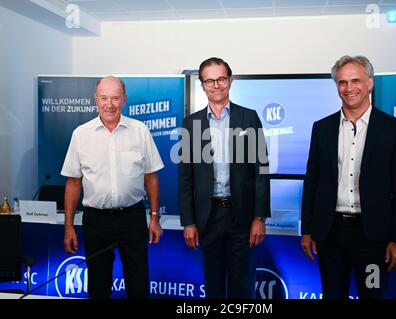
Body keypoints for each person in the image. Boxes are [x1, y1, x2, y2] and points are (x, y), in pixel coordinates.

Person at [301, 55, 396, 299]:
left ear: (370, 83)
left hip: (373, 240)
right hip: (331, 235)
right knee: (333, 294)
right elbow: (312, 182)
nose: (349, 88)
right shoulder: (322, 128)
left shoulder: (393, 129)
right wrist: (307, 230)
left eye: (355, 81)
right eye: (342, 82)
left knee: (372, 294)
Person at [61, 76, 164, 299]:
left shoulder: (140, 131)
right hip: (96, 221)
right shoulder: (81, 134)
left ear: (124, 100)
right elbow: (73, 182)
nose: (110, 104)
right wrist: (68, 226)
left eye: (115, 98)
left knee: (138, 287)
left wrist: (154, 217)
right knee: (98, 287)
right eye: (104, 98)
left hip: (133, 219)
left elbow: (151, 177)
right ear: (95, 100)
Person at [179, 57, 270, 299]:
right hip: (208, 217)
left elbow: (261, 170)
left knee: (242, 286)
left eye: (221, 79)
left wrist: (259, 216)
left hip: (242, 214)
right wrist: (188, 221)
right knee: (214, 284)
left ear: (230, 81)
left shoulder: (248, 117)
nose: (216, 85)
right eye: (209, 80)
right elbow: (185, 178)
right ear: (202, 84)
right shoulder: (191, 123)